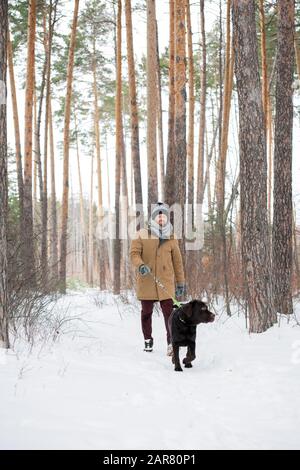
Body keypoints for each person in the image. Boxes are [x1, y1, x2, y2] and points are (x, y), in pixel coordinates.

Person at [130, 202, 185, 355]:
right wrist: (141, 265)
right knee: (146, 312)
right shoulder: (142, 234)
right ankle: (148, 339)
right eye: (158, 215)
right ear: (154, 217)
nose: (161, 218)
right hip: (147, 280)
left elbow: (177, 262)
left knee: (169, 314)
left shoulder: (172, 237)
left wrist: (181, 282)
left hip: (165, 282)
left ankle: (170, 343)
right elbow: (134, 254)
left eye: (164, 215)